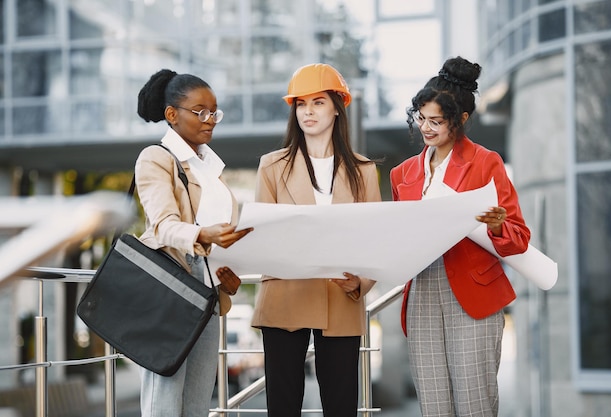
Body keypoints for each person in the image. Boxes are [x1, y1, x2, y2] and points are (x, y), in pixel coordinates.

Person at [390, 56, 530, 417]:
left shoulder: (486, 163)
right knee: (434, 406)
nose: (426, 128)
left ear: (461, 120)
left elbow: (519, 237)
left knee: (475, 405)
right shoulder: (402, 174)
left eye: (436, 121)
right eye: (421, 118)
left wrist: (497, 224)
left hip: (473, 293)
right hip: (422, 293)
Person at [250, 63, 382, 417]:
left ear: (337, 107)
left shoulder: (363, 170)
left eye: (318, 102)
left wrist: (361, 282)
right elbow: (262, 232)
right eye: (301, 104)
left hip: (340, 295)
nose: (308, 111)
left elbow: (375, 239)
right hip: (285, 294)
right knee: (283, 405)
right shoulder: (271, 166)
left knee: (341, 406)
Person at [135, 69, 252, 417]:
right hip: (171, 289)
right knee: (164, 400)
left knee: (197, 403)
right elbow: (163, 226)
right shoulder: (156, 158)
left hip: (207, 296)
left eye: (215, 111)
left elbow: (220, 240)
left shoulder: (210, 170)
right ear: (172, 114)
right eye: (200, 111)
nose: (210, 119)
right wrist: (203, 235)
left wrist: (229, 279)